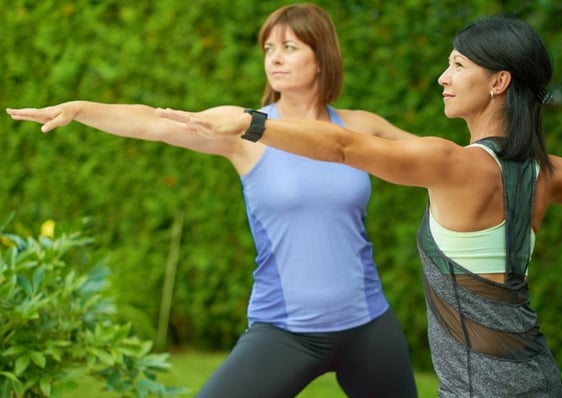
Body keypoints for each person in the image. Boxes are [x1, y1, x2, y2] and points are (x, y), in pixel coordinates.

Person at [154, 14, 562, 398]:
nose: (443, 77)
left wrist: (254, 123)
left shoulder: (456, 164)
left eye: (458, 65)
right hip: (539, 379)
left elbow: (340, 145)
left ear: (498, 83)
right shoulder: (543, 171)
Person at [6, 4, 420, 398]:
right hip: (286, 329)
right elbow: (156, 122)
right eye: (268, 49)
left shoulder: (359, 127)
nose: (274, 58)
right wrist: (82, 108)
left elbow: (443, 162)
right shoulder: (245, 127)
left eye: (289, 47)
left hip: (367, 323)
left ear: (321, 56)